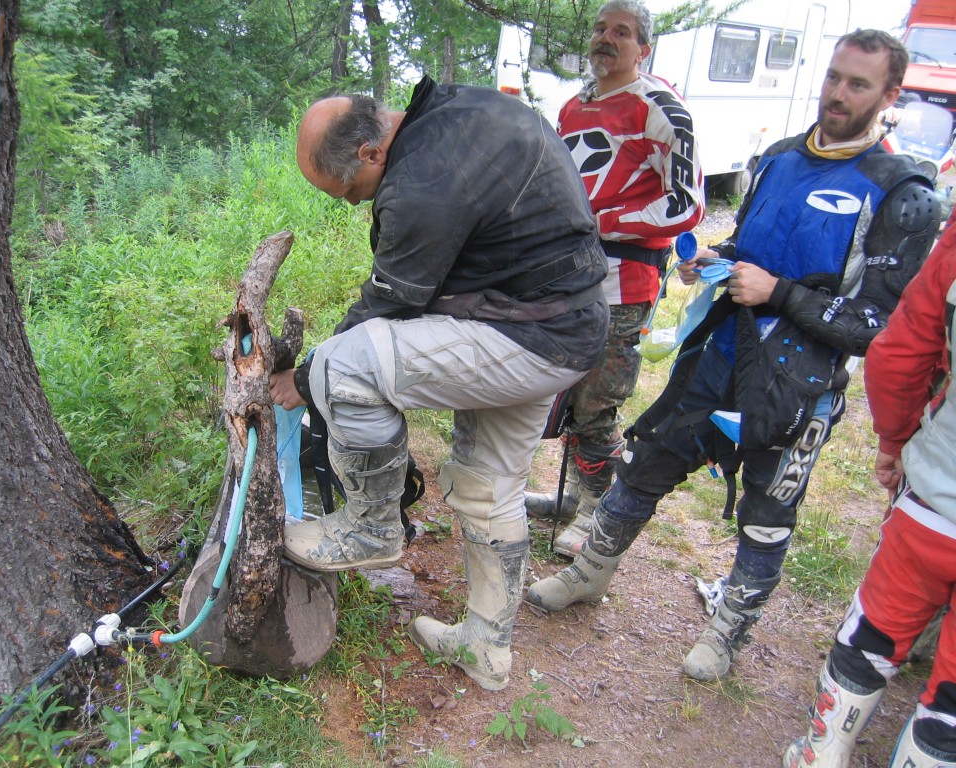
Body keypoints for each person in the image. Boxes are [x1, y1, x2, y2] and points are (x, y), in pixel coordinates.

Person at [527, 28, 942, 683]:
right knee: (642, 465)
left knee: (767, 513)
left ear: (891, 94)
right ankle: (588, 575)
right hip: (718, 352)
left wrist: (778, 293)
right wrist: (719, 262)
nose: (837, 93)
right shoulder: (778, 157)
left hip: (797, 384)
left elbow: (880, 326)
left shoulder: (904, 190)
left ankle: (725, 636)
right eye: (833, 76)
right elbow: (753, 245)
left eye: (857, 84)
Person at [268, 78, 610, 691]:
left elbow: (389, 306)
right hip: (560, 320)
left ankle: (371, 525)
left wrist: (305, 375)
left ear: (372, 152)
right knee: (489, 487)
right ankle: (485, 646)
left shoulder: (423, 181)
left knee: (343, 366)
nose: (349, 204)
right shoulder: (462, 110)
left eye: (347, 192)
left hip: (529, 332)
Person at [523, 0, 705, 558]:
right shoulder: (574, 106)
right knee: (562, 389)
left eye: (621, 32)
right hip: (566, 275)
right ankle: (572, 496)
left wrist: (601, 222)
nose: (607, 39)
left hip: (625, 281)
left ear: (642, 48)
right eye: (601, 29)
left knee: (599, 399)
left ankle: (597, 506)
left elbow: (687, 204)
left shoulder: (664, 109)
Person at [782, 219, 956, 767]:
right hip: (936, 486)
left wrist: (897, 440)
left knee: (876, 632)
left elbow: (900, 351)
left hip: (937, 491)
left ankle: (820, 753)